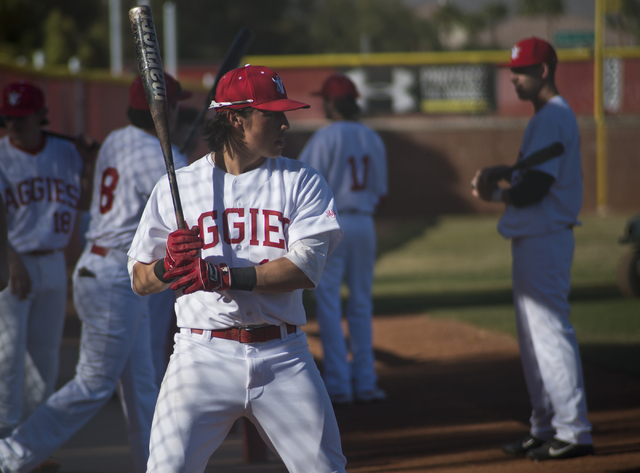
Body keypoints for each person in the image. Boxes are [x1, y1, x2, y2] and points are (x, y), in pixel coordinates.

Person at [128, 64, 347, 473]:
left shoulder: (301, 182)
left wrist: (222, 276)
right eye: (272, 114)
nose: (285, 123)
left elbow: (305, 269)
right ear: (235, 118)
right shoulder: (180, 184)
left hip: (283, 355)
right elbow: (141, 280)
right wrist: (168, 266)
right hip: (199, 356)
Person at [0, 73, 191, 473]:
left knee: (142, 387)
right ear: (163, 111)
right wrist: (181, 162)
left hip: (110, 270)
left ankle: (156, 468)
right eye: (174, 107)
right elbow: (183, 217)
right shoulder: (164, 156)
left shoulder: (120, 138)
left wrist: (178, 159)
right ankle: (9, 456)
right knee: (93, 383)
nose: (178, 113)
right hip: (113, 276)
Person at [471, 37, 594, 461]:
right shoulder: (545, 118)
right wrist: (502, 179)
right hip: (535, 237)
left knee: (549, 335)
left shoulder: (553, 117)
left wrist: (497, 193)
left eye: (521, 71)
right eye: (512, 70)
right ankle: (544, 426)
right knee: (532, 339)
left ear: (543, 71)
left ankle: (574, 430)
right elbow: (529, 180)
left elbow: (535, 188)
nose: (514, 77)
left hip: (547, 236)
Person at [0, 81, 97, 444]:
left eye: (22, 118)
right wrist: (10, 260)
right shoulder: (1, 154)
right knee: (8, 355)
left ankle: (31, 440)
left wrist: (87, 164)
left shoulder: (65, 151)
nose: (14, 125)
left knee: (45, 355)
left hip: (54, 260)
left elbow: (84, 203)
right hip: (12, 258)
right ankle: (6, 435)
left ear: (42, 116)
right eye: (9, 118)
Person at [298, 74, 388, 405]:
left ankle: (339, 384)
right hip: (364, 223)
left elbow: (304, 184)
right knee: (362, 303)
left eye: (326, 100)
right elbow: (381, 191)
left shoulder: (325, 137)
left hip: (333, 224)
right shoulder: (372, 137)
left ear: (334, 102)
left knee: (329, 303)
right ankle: (366, 381)